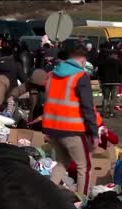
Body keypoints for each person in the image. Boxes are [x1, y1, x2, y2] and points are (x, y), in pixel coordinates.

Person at [43, 46, 99, 195]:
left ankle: (47, 193)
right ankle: (82, 201)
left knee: (63, 161)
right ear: (81, 60)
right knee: (84, 166)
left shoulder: (51, 75)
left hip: (51, 128)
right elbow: (88, 108)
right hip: (72, 129)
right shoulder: (81, 76)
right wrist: (94, 133)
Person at [100, 51, 122, 118]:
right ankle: (111, 112)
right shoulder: (118, 62)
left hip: (105, 82)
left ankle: (104, 112)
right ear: (115, 55)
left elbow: (100, 72)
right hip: (115, 82)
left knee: (105, 98)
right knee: (113, 98)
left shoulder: (104, 62)